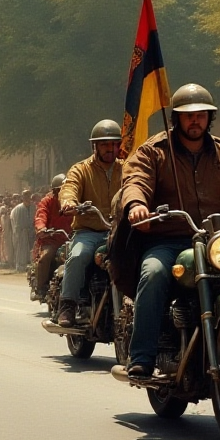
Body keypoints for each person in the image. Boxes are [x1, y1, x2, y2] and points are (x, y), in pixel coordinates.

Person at [120, 83, 220, 378]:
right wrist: (137, 205)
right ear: (176, 119)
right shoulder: (154, 151)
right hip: (168, 240)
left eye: (201, 115)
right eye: (188, 115)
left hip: (215, 242)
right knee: (154, 273)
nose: (195, 120)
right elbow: (136, 180)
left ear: (210, 118)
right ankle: (143, 354)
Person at [57, 120, 125, 326]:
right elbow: (69, 187)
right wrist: (69, 202)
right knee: (78, 256)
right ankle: (67, 304)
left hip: (119, 231)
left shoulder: (128, 168)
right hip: (89, 231)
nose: (110, 149)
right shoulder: (81, 169)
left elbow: (140, 185)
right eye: (104, 144)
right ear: (95, 146)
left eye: (113, 144)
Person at [31, 173, 72, 302]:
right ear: (54, 191)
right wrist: (42, 228)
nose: (63, 193)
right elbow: (40, 216)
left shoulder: (73, 202)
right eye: (60, 190)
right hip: (51, 239)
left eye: (66, 189)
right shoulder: (47, 201)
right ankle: (41, 288)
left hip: (70, 240)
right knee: (45, 257)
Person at [10, 190, 35, 271]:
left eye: (28, 196)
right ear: (22, 197)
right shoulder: (18, 209)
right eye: (25, 196)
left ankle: (31, 265)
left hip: (32, 232)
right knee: (21, 249)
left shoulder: (34, 207)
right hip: (21, 233)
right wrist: (19, 232)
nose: (27, 198)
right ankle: (20, 266)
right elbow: (15, 223)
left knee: (32, 249)